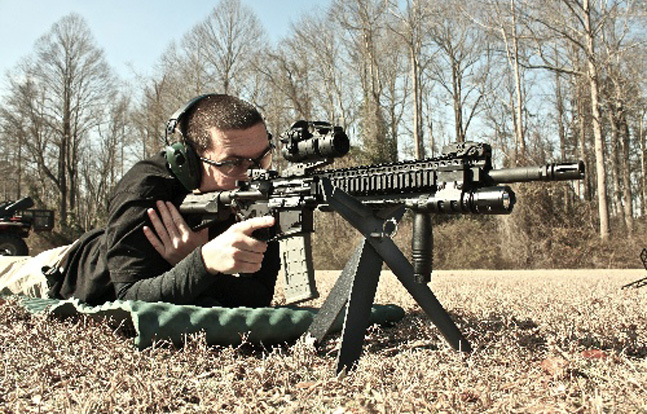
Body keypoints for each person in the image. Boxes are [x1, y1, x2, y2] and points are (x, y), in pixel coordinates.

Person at [0, 94, 280, 307]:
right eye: (232, 163)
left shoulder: (263, 196)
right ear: (188, 160)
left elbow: (259, 296)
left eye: (263, 158)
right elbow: (127, 295)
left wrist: (195, 263)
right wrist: (202, 262)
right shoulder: (145, 186)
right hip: (61, 273)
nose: (253, 174)